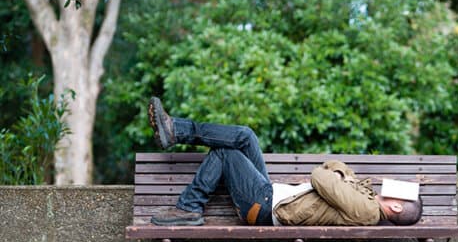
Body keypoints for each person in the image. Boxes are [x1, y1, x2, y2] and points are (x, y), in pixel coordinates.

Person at [147, 97, 423, 226]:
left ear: (397, 206)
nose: (390, 187)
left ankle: (189, 208)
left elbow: (321, 176)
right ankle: (176, 130)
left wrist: (337, 177)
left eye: (397, 191)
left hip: (266, 207)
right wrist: (340, 176)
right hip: (271, 194)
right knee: (245, 135)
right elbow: (336, 167)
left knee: (225, 152)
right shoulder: (366, 197)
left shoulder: (367, 210)